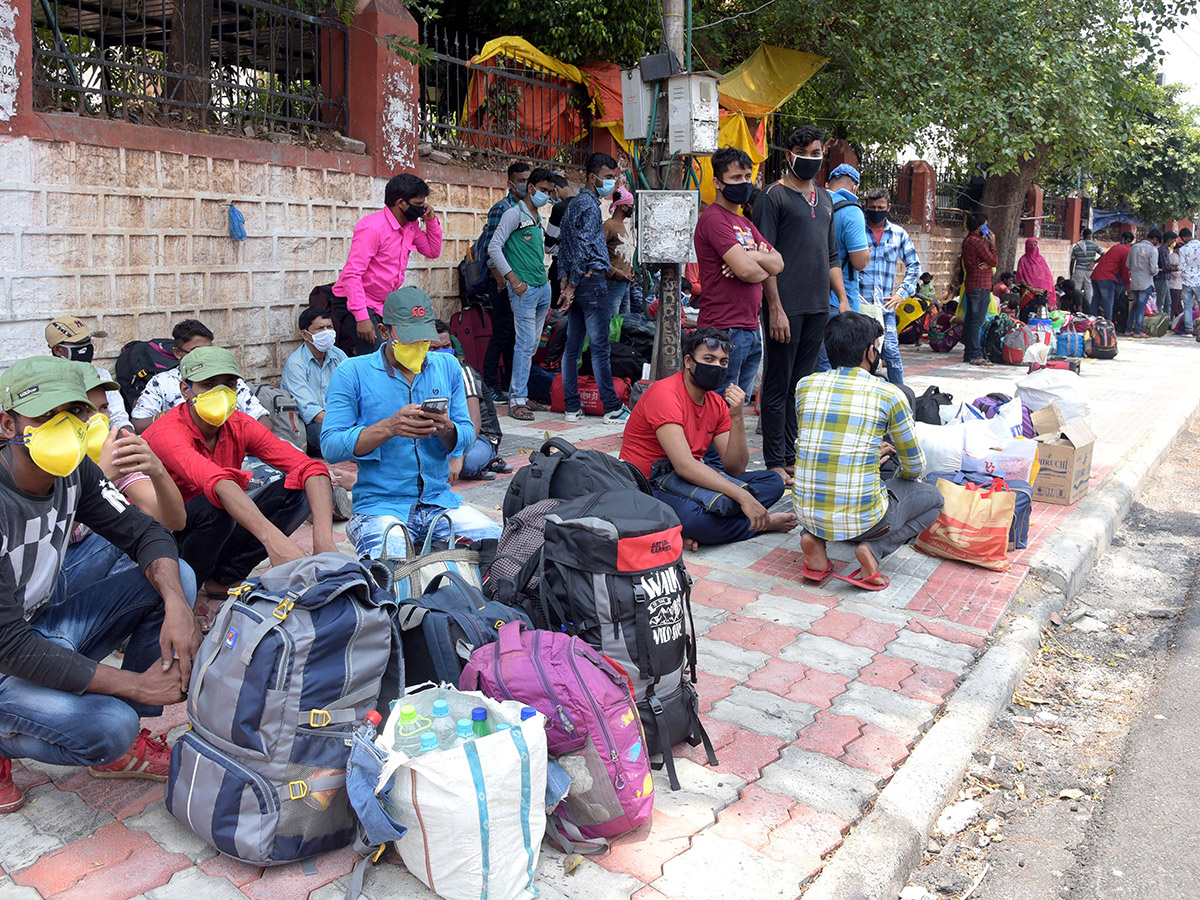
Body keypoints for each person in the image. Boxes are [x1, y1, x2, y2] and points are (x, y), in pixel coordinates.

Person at [0, 357, 200, 813]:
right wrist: (131, 684)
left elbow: (146, 531)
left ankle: (131, 740)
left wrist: (178, 606)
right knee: (109, 726)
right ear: (8, 423)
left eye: (73, 414)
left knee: (177, 576)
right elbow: (8, 646)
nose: (64, 427)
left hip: (35, 629)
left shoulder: (74, 472)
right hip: (6, 650)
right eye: (47, 416)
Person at [144, 347, 335, 629]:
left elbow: (309, 467)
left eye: (229, 385)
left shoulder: (238, 424)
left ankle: (223, 577)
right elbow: (216, 482)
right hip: (162, 536)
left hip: (215, 523)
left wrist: (324, 544)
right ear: (186, 389)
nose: (220, 393)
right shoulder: (167, 432)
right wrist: (274, 541)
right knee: (216, 505)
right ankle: (181, 593)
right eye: (208, 385)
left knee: (295, 491)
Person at [322, 287, 503, 555]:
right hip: (380, 507)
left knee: (500, 548)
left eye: (423, 340)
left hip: (439, 502)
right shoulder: (352, 372)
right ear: (384, 332)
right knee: (391, 569)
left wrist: (446, 428)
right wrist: (388, 428)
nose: (420, 348)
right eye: (409, 340)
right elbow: (331, 446)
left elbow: (465, 437)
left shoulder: (448, 367)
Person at [793, 312, 942, 591]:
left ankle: (812, 540)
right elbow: (914, 465)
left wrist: (870, 450)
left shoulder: (805, 386)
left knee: (829, 485)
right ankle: (873, 550)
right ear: (870, 352)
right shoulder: (889, 393)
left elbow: (814, 443)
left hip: (808, 513)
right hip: (865, 520)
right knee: (933, 498)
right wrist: (884, 461)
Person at [619, 328, 796, 548]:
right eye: (709, 359)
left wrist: (737, 416)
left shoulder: (716, 403)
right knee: (697, 519)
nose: (716, 366)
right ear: (688, 361)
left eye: (723, 362)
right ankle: (761, 523)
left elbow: (735, 468)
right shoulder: (665, 394)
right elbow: (684, 465)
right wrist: (743, 498)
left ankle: (690, 528)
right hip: (647, 484)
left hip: (688, 479)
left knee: (773, 482)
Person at [753, 124, 851, 483]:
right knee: (778, 382)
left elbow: (832, 255)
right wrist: (775, 307)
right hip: (785, 305)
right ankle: (775, 461)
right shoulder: (773, 197)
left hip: (817, 306)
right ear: (790, 153)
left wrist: (842, 299)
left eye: (816, 153)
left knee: (802, 383)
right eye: (805, 152)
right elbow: (765, 257)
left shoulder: (825, 199)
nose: (811, 159)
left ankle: (792, 455)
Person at [59, 363, 194, 607]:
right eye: (80, 409)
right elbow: (45, 544)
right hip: (47, 578)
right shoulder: (44, 461)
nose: (96, 419)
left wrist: (157, 470)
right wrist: (101, 477)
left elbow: (173, 521)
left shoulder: (111, 453)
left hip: (83, 565)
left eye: (102, 408)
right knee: (126, 525)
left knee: (176, 571)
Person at [692, 146, 784, 395]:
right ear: (717, 182)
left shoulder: (744, 223)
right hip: (722, 329)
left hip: (750, 328)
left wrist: (751, 256)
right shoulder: (713, 219)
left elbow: (779, 263)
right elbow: (746, 272)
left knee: (735, 408)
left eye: (746, 177)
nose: (743, 183)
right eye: (735, 178)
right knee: (719, 405)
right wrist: (754, 263)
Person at [333, 172, 442, 357]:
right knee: (378, 357)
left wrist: (430, 220)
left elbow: (433, 251)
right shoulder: (372, 227)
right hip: (355, 301)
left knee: (399, 352)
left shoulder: (411, 227)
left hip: (383, 303)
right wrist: (362, 317)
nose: (422, 209)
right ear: (401, 203)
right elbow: (352, 275)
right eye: (418, 205)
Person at [558, 152, 631, 424]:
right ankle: (612, 407)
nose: (612, 183)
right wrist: (573, 284)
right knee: (600, 348)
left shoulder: (573, 205)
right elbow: (582, 248)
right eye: (609, 177)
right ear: (593, 177)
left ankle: (571, 407)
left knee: (572, 347)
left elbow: (564, 248)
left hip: (577, 283)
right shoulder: (589, 207)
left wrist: (567, 282)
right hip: (591, 281)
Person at [487, 166, 557, 421]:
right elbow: (493, 248)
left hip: (540, 288)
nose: (547, 195)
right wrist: (513, 280)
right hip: (524, 289)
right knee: (525, 345)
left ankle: (521, 394)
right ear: (531, 188)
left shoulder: (536, 216)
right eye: (543, 190)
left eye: (550, 191)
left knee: (531, 345)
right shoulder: (512, 214)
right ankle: (516, 399)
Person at [131, 319, 270, 433]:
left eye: (208, 350)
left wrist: (245, 443)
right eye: (196, 351)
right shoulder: (162, 383)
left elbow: (263, 420)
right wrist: (172, 416)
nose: (204, 356)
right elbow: (138, 424)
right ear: (177, 353)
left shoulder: (228, 380)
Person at [481, 162, 532, 401]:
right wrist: (502, 281)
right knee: (501, 332)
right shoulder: (501, 209)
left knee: (515, 334)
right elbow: (491, 249)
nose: (526, 185)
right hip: (503, 282)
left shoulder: (529, 210)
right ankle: (489, 385)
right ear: (510, 183)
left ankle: (511, 385)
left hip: (521, 282)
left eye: (528, 180)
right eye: (521, 180)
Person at [859, 187, 920, 386]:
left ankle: (900, 396)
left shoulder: (898, 234)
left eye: (881, 207)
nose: (876, 210)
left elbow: (914, 266)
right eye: (872, 207)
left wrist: (901, 294)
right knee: (858, 356)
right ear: (866, 207)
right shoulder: (857, 231)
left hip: (885, 309)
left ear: (889, 207)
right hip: (859, 305)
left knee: (892, 353)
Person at [814, 163, 871, 373]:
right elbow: (859, 261)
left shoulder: (814, 204)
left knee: (811, 364)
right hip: (839, 302)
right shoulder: (851, 211)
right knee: (836, 366)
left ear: (828, 183)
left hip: (809, 298)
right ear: (855, 187)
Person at [434, 320, 507, 481]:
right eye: (434, 348)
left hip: (478, 437)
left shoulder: (463, 371)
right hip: (448, 435)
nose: (443, 352)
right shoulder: (427, 373)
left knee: (466, 464)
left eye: (446, 347)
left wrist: (459, 457)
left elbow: (475, 421)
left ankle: (487, 460)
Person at [46, 316, 133, 433]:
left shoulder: (102, 375)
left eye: (88, 341)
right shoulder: (48, 382)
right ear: (58, 350)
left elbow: (118, 418)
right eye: (79, 343)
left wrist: (128, 438)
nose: (86, 346)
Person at [281, 307, 349, 454]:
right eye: (320, 328)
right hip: (311, 424)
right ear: (305, 335)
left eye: (329, 327)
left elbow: (354, 390)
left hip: (341, 419)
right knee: (326, 435)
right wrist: (345, 422)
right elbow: (310, 411)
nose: (327, 332)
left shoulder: (339, 356)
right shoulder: (296, 363)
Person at [960, 212, 998, 366]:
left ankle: (969, 352)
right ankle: (975, 354)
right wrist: (992, 244)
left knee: (970, 320)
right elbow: (993, 260)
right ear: (980, 226)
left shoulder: (968, 240)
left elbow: (987, 262)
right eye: (985, 225)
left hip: (972, 284)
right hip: (980, 285)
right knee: (976, 321)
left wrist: (987, 262)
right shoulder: (977, 242)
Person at [604, 189, 638, 318]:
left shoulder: (621, 226)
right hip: (613, 281)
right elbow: (598, 254)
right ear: (623, 206)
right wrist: (614, 271)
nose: (631, 210)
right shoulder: (609, 225)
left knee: (624, 319)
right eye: (630, 206)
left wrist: (630, 269)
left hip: (625, 282)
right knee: (612, 318)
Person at [545, 172, 575, 309]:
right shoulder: (588, 204)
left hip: (560, 270)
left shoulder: (559, 209)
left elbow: (548, 246)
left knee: (558, 316)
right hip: (582, 271)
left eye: (550, 193)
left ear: (555, 190)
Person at [1090, 231, 1134, 322]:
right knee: (1108, 303)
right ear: (1130, 241)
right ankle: (1108, 325)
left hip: (1096, 275)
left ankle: (1090, 323)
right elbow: (1125, 271)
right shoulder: (1127, 251)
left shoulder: (1115, 247)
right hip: (1107, 277)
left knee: (1095, 301)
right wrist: (1128, 288)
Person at [1126, 229, 1161, 337]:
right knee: (1141, 306)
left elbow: (1128, 264)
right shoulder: (1153, 250)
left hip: (1135, 280)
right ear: (1155, 239)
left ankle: (1128, 329)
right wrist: (1157, 270)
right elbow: (1153, 269)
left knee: (1135, 306)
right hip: (1146, 281)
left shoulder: (1134, 247)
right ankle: (1138, 331)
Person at [1069, 227, 1104, 313]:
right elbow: (1104, 254)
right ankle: (1089, 310)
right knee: (1089, 291)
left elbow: (1072, 261)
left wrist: (1071, 273)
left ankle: (1076, 308)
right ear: (1090, 236)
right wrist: (1094, 262)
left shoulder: (1077, 247)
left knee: (1076, 291)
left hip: (1078, 271)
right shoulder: (1094, 245)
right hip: (1089, 271)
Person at [1015, 237, 1056, 308]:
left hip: (1042, 291)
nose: (1033, 247)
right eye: (1031, 245)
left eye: (1035, 245)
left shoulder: (1041, 260)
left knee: (1042, 313)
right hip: (1028, 291)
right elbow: (1020, 278)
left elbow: (1047, 277)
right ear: (1027, 247)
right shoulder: (1023, 260)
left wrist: (1042, 289)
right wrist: (1032, 289)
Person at [1175, 228, 1199, 333]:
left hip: (1186, 281)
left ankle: (1189, 329)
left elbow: (1181, 266)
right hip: (1199, 280)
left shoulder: (1183, 249)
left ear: (1184, 238)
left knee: (1187, 306)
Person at [1154, 228, 1173, 321]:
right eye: (1173, 240)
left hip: (1165, 278)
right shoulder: (1162, 250)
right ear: (1169, 240)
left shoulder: (1164, 250)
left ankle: (1166, 321)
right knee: (1161, 301)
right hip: (1162, 279)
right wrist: (1176, 268)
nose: (1173, 243)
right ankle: (1157, 321)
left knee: (1167, 302)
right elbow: (1166, 267)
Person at [1165, 231, 1182, 326]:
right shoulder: (1175, 257)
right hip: (1174, 285)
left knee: (1177, 307)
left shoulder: (1174, 256)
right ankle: (1170, 323)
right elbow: (1175, 274)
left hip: (1176, 285)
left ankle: (1177, 323)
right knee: (1173, 306)